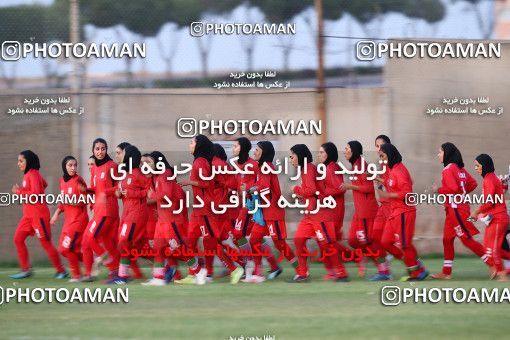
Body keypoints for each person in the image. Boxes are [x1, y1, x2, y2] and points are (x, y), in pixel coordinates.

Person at [177, 135, 244, 284]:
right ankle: (194, 273)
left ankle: (235, 268)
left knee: (212, 243)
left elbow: (207, 183)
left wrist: (189, 182)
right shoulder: (199, 162)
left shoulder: (201, 162)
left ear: (199, 146)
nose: (189, 145)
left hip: (206, 209)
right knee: (189, 243)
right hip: (198, 210)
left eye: (192, 142)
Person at [143, 151, 205, 286]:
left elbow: (166, 194)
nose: (146, 165)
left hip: (171, 219)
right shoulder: (157, 176)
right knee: (158, 248)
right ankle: (158, 278)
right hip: (162, 219)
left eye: (149, 162)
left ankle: (199, 271)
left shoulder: (165, 174)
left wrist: (153, 195)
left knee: (178, 248)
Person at [288, 144, 348, 283]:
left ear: (300, 156)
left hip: (321, 214)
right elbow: (311, 192)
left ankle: (341, 273)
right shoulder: (305, 169)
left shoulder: (308, 168)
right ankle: (303, 274)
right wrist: (301, 196)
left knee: (327, 244)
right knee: (298, 239)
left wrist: (296, 189)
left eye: (292, 155)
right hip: (310, 214)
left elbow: (311, 190)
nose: (290, 158)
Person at [431, 143, 490, 280]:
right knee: (447, 239)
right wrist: (462, 194)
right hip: (455, 209)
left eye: (440, 152)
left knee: (466, 240)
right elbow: (473, 183)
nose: (438, 154)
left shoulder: (448, 169)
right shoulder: (459, 169)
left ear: (447, 153)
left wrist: (438, 190)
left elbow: (452, 188)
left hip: (456, 209)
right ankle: (446, 272)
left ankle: (493, 264)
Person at [10, 150, 67, 279]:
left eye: (21, 161)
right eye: (18, 161)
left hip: (38, 216)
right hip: (28, 216)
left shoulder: (33, 174)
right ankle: (26, 270)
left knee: (46, 243)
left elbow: (35, 194)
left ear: (28, 161)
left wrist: (20, 191)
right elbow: (43, 185)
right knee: (18, 239)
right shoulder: (29, 174)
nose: (18, 164)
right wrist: (25, 190)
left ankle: (61, 271)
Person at [378, 143, 429, 281]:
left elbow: (407, 193)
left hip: (404, 211)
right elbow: (390, 183)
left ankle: (415, 273)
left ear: (390, 154)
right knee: (385, 242)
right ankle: (414, 266)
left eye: (382, 156)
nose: (381, 160)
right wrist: (374, 177)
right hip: (395, 212)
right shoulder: (393, 169)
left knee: (405, 244)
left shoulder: (400, 170)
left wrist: (389, 196)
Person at [248, 141, 297, 282]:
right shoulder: (261, 167)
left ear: (265, 152)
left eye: (257, 150)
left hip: (273, 212)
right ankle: (258, 274)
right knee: (254, 239)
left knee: (280, 244)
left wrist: (249, 190)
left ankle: (300, 271)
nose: (254, 152)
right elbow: (260, 185)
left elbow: (264, 187)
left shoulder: (267, 166)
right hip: (264, 212)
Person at [341, 141, 388, 279]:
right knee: (352, 240)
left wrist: (350, 186)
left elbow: (368, 188)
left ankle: (383, 271)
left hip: (367, 211)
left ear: (354, 151)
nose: (345, 151)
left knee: (368, 241)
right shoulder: (355, 166)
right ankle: (364, 256)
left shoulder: (362, 166)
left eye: (347, 148)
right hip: (359, 211)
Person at [81, 138, 120, 282]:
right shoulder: (95, 169)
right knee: (87, 241)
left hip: (107, 211)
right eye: (97, 149)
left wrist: (106, 192)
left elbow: (120, 187)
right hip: (98, 211)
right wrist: (86, 190)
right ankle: (90, 274)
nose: (100, 151)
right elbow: (96, 189)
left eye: (103, 148)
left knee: (91, 239)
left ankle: (107, 264)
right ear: (93, 150)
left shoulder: (112, 166)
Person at [470, 154, 509, 281]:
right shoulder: (489, 178)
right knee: (488, 248)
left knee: (493, 250)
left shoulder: (490, 179)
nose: (476, 168)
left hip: (499, 219)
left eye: (478, 166)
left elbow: (489, 201)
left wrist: (476, 212)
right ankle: (497, 270)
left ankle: (502, 274)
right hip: (493, 219)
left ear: (485, 165)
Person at [113, 145, 149, 284]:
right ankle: (165, 268)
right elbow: (122, 191)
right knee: (139, 247)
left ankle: (123, 276)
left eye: (122, 154)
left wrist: (133, 194)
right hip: (127, 213)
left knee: (124, 241)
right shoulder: (126, 175)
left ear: (129, 156)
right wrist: (118, 194)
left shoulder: (138, 174)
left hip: (137, 213)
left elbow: (149, 191)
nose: (119, 156)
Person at [50, 156, 89, 282]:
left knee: (68, 248)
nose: (73, 168)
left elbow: (86, 200)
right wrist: (56, 214)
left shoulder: (79, 180)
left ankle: (77, 276)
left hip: (79, 220)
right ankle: (90, 261)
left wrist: (71, 201)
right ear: (64, 166)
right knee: (62, 249)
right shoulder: (62, 181)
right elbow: (62, 202)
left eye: (75, 165)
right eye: (70, 165)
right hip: (68, 221)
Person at [316, 142, 350, 280]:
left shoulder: (332, 168)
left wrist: (321, 192)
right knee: (323, 241)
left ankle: (340, 271)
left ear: (329, 153)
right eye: (319, 152)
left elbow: (339, 188)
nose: (319, 155)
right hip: (325, 211)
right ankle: (332, 270)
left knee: (327, 242)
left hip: (334, 212)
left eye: (322, 152)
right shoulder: (325, 168)